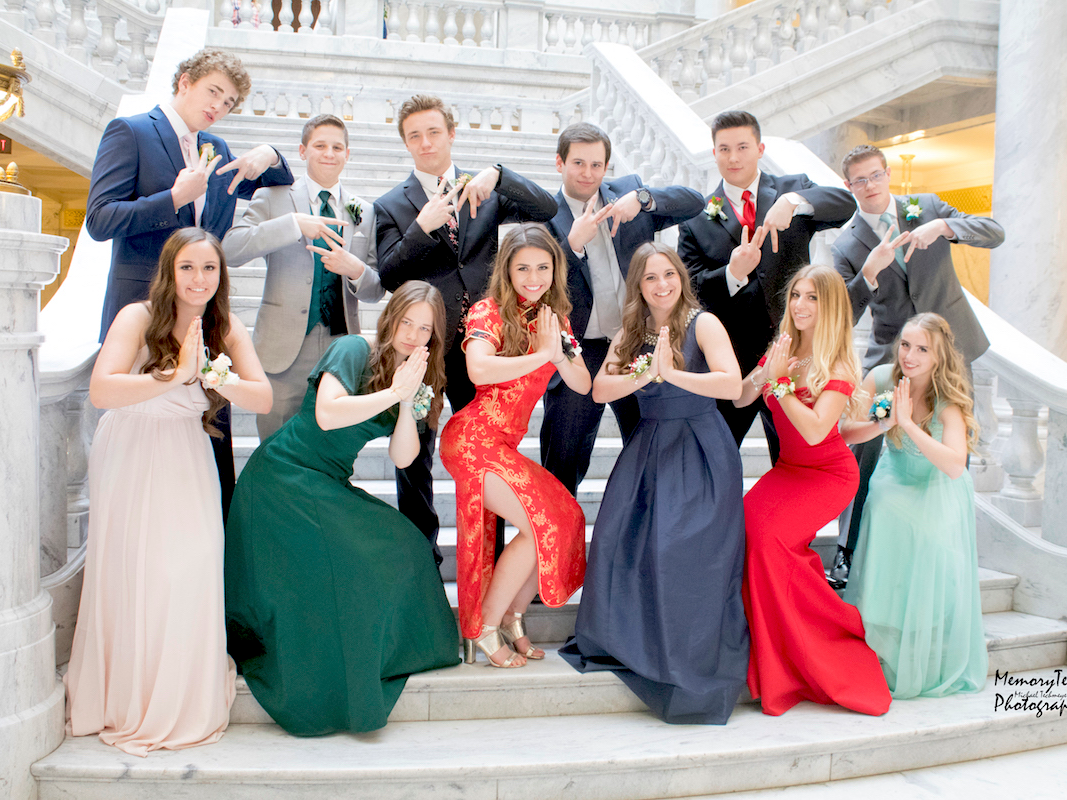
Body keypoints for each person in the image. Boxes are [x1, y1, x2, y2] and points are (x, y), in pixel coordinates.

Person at [65, 228, 273, 756]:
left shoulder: (227, 327)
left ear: (221, 275)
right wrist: (171, 377)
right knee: (137, 570)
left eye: (209, 268)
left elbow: (264, 398)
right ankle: (128, 693)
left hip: (187, 450)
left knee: (189, 567)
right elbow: (103, 389)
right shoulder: (137, 317)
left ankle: (178, 690)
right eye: (187, 267)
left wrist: (211, 375)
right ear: (169, 271)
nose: (198, 279)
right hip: (132, 447)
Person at [224, 281, 460, 734]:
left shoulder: (416, 379)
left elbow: (403, 457)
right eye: (406, 322)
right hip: (282, 475)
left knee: (406, 544)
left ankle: (396, 650)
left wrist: (408, 398)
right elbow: (327, 414)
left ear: (434, 336)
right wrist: (393, 394)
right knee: (354, 558)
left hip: (326, 481)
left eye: (424, 329)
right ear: (390, 317)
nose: (412, 335)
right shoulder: (353, 349)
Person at [86, 47, 294, 513]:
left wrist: (270, 152)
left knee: (212, 460)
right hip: (143, 317)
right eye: (213, 92)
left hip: (203, 318)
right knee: (144, 465)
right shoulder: (132, 132)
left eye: (229, 101)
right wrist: (172, 197)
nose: (218, 106)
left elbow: (282, 175)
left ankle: (208, 565)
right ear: (184, 81)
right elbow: (99, 220)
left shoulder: (216, 151)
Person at [560, 244, 748, 724]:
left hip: (700, 446)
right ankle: (633, 638)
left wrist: (674, 375)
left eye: (668, 274)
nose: (661, 284)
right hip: (650, 445)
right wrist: (646, 373)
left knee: (680, 548)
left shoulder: (702, 323)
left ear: (681, 277)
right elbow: (601, 389)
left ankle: (685, 649)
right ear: (638, 286)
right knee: (620, 538)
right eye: (650, 278)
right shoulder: (632, 330)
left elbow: (731, 384)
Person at [374, 94, 556, 561]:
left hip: (484, 349)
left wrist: (499, 172)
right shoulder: (391, 205)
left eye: (433, 132)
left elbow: (548, 208)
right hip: (425, 350)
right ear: (405, 144)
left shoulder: (485, 188)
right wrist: (421, 226)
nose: (425, 142)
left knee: (488, 457)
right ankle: (422, 560)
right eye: (414, 136)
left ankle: (490, 559)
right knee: (415, 458)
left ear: (451, 134)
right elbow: (388, 276)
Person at [829, 144, 1005, 586]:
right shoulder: (847, 242)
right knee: (865, 449)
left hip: (950, 347)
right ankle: (849, 549)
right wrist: (868, 274)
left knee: (953, 445)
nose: (869, 186)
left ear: (888, 174)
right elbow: (842, 313)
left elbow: (993, 231)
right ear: (849, 187)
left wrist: (945, 227)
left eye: (875, 175)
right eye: (859, 181)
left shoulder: (923, 207)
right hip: (893, 355)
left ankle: (951, 544)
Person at [736, 264, 891, 717]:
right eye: (797, 296)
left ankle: (830, 636)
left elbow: (818, 430)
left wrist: (780, 382)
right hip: (787, 470)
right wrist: (764, 372)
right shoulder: (783, 348)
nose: (801, 305)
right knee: (744, 531)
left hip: (827, 476)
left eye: (813, 298)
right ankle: (771, 647)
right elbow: (743, 398)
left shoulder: (837, 364)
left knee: (769, 543)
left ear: (831, 308)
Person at [440, 224, 589, 667]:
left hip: (502, 446)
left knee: (566, 517)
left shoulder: (554, 320)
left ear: (555, 269)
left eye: (543, 267)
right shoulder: (488, 311)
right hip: (471, 440)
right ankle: (484, 627)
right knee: (538, 523)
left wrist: (558, 352)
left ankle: (512, 616)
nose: (533, 277)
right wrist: (543, 354)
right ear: (506, 269)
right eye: (523, 267)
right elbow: (479, 372)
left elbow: (582, 385)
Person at [677, 110, 855, 460]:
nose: (733, 157)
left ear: (759, 149)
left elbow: (845, 204)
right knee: (718, 457)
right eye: (724, 148)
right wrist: (733, 273)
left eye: (742, 147)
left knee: (795, 457)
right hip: (733, 360)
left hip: (797, 355)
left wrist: (793, 202)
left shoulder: (793, 190)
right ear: (713, 153)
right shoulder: (697, 217)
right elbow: (691, 288)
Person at [540, 122, 706, 494]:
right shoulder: (546, 214)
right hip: (581, 348)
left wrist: (645, 199)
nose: (587, 173)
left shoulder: (629, 194)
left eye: (596, 165)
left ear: (606, 166)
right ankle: (555, 538)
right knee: (562, 454)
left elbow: (695, 201)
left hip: (637, 341)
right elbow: (535, 283)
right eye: (578, 163)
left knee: (649, 442)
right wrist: (572, 244)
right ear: (559, 163)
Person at [843, 313, 987, 697]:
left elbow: (955, 465)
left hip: (936, 485)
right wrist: (883, 424)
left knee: (923, 529)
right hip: (895, 476)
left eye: (922, 349)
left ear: (938, 356)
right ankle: (882, 646)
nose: (910, 355)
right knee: (884, 506)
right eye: (906, 345)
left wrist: (907, 425)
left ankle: (920, 648)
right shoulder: (881, 378)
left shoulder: (948, 400)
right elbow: (844, 431)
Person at [222, 113, 384, 441]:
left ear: (347, 154)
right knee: (275, 444)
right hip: (283, 349)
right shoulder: (273, 197)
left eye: (337, 147)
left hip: (340, 349)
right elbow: (231, 249)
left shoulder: (362, 211)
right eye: (320, 145)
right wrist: (292, 224)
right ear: (302, 150)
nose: (329, 153)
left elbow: (375, 289)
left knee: (329, 447)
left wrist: (354, 269)